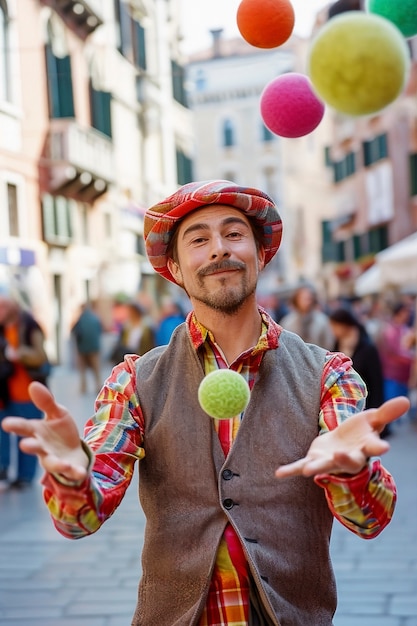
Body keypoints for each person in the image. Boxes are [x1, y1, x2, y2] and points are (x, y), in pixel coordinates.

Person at [1, 180, 409, 625]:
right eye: (199, 239)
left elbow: (370, 521)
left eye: (234, 234)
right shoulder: (133, 381)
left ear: (261, 254)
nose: (219, 249)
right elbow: (79, 520)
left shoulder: (330, 375)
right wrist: (72, 474)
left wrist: (351, 472)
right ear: (175, 267)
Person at [0, 293, 50, 488]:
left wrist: (19, 354)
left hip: (28, 391)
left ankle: (25, 477)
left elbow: (40, 356)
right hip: (6, 392)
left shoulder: (29, 325)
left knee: (27, 434)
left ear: (13, 307)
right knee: (5, 433)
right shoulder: (3, 328)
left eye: (3, 307)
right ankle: (5, 470)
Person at [328, 307, 391, 437]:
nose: (333, 330)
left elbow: (376, 383)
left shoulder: (367, 348)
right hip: (345, 407)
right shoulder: (336, 345)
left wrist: (376, 415)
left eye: (335, 326)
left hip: (366, 406)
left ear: (345, 324)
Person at [280, 284, 335, 350]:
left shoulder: (322, 321)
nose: (306, 302)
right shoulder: (288, 322)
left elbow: (328, 344)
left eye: (309, 298)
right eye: (303, 298)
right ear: (296, 299)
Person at [71, 302, 103, 395]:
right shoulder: (95, 318)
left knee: (83, 370)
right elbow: (100, 330)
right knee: (96, 369)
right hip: (94, 347)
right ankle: (98, 386)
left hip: (82, 348)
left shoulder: (80, 320)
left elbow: (74, 331)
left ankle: (83, 387)